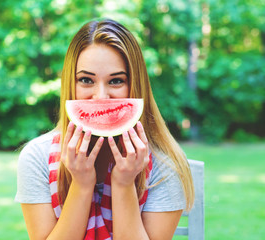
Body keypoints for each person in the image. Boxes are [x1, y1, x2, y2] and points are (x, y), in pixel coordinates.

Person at [15, 19, 194, 240]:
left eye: (116, 81)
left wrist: (124, 183)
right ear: (71, 84)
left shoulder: (165, 164)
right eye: (86, 80)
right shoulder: (37, 157)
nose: (100, 96)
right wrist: (81, 184)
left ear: (136, 85)